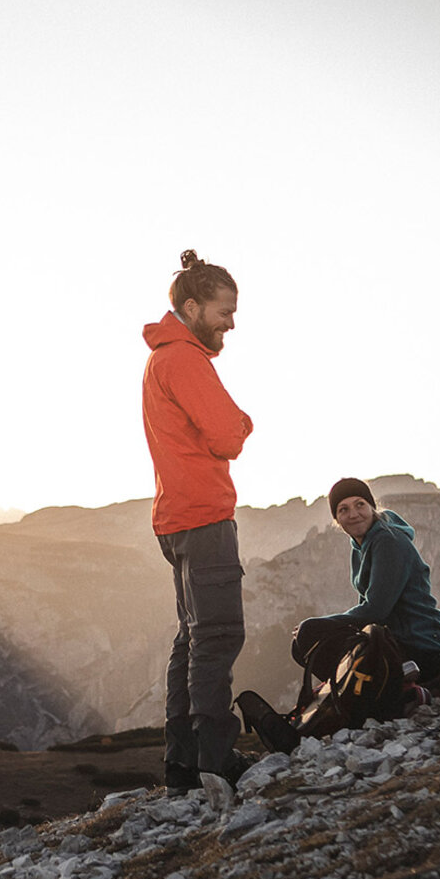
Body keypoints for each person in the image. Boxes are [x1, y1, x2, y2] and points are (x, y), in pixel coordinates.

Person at [142, 250, 254, 790]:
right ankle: (215, 760)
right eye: (224, 311)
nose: (231, 323)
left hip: (174, 517)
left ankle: (182, 763)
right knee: (217, 636)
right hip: (204, 515)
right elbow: (228, 435)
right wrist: (245, 421)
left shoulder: (162, 358)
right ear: (192, 306)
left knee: (190, 638)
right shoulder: (185, 359)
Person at [292, 477, 440, 693]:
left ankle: (391, 694)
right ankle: (363, 693)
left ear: (371, 506)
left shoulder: (388, 541)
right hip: (394, 643)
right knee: (301, 646)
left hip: (421, 651)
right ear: (337, 519)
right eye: (343, 509)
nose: (353, 514)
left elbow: (376, 609)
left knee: (309, 633)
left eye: (360, 505)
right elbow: (367, 607)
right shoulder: (362, 545)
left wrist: (318, 625)